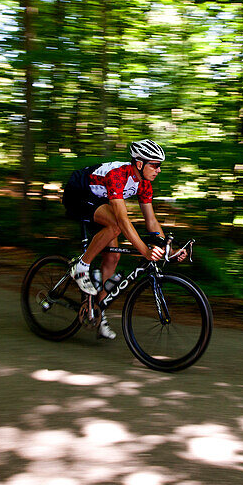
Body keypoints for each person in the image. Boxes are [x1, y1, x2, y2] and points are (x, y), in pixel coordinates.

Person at [62, 139, 182, 340]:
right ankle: (81, 266)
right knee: (117, 224)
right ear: (139, 164)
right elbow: (123, 220)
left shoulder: (144, 184)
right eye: (155, 164)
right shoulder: (118, 175)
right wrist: (145, 250)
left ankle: (98, 312)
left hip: (99, 200)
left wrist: (169, 249)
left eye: (160, 165)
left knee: (113, 258)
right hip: (77, 193)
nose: (159, 170)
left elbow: (151, 221)